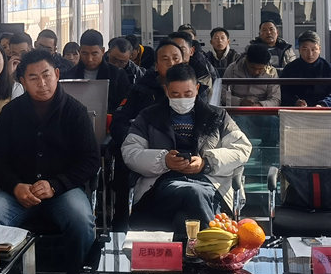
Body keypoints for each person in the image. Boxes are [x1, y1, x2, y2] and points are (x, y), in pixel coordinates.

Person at [0, 49, 100, 274]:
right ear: (22, 81)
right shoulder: (10, 113)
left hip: (63, 192)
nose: (42, 84)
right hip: (17, 192)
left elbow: (91, 160)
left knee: (81, 220)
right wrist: (15, 186)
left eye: (46, 75)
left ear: (57, 74)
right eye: (33, 78)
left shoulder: (75, 112)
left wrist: (56, 185)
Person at [122, 63, 252, 237]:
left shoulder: (217, 116)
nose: (182, 99)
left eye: (188, 93)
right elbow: (130, 151)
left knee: (183, 219)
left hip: (209, 182)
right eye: (175, 94)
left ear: (197, 89)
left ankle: (198, 245)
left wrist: (206, 163)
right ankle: (213, 243)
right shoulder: (149, 117)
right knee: (194, 193)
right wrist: (163, 160)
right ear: (166, 90)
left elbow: (242, 148)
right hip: (163, 184)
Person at [109, 39, 208, 231]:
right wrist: (142, 139)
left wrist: (203, 160)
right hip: (149, 161)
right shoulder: (141, 89)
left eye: (176, 58)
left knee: (186, 212)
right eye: (165, 59)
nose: (171, 63)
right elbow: (119, 122)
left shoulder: (197, 92)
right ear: (156, 64)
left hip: (192, 167)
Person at [222, 43, 280, 146]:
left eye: (260, 69)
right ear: (246, 60)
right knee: (239, 121)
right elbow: (222, 95)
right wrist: (240, 102)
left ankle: (268, 151)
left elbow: (275, 99)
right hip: (238, 111)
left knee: (273, 122)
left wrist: (260, 105)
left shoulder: (271, 72)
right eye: (252, 68)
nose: (256, 72)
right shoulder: (233, 69)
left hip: (262, 112)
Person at [64, 29, 130, 113]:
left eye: (94, 54)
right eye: (85, 53)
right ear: (80, 51)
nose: (89, 59)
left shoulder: (117, 75)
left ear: (102, 51)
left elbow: (124, 107)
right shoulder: (69, 76)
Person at [280, 31, 331, 107]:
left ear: (319, 49)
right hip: (297, 110)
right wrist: (295, 101)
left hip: (324, 110)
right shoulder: (290, 68)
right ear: (299, 50)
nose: (310, 54)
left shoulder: (330, 69)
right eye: (305, 49)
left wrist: (324, 104)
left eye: (314, 49)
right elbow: (283, 91)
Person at [169, 30, 215, 97]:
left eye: (182, 49)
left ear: (191, 51)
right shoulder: (162, 70)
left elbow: (206, 98)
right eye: (174, 49)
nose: (177, 53)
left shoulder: (202, 73)